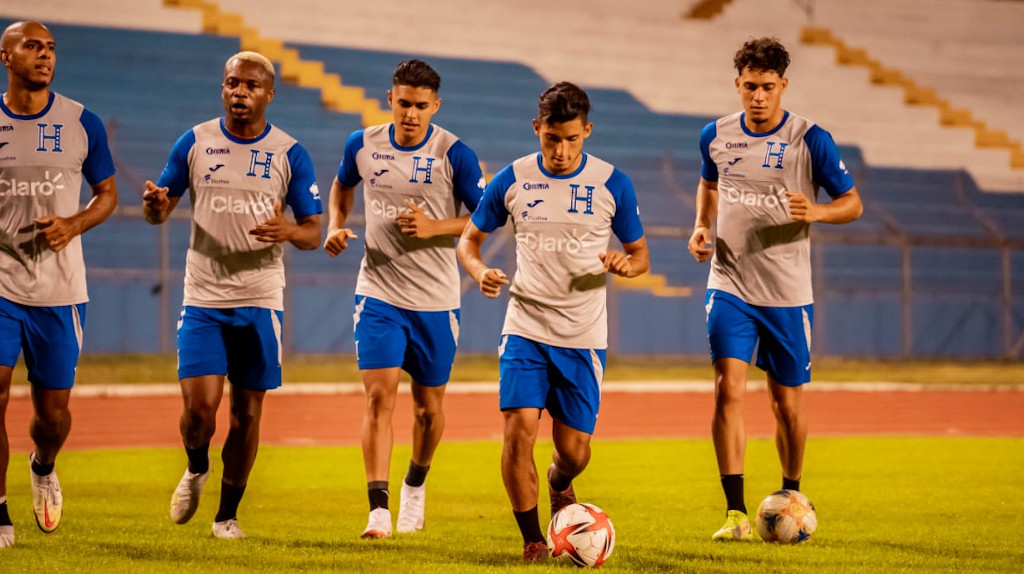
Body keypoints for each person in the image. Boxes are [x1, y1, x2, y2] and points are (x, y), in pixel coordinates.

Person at [457, 81, 649, 561]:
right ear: (536, 129)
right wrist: (480, 272)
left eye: (571, 140)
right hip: (525, 327)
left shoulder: (612, 183)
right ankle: (533, 541)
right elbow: (468, 240)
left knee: (575, 453)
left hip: (583, 336)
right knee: (519, 428)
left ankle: (560, 482)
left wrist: (628, 266)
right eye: (551, 139)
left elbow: (641, 255)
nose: (561, 151)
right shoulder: (513, 178)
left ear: (586, 131)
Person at [686, 37, 863, 541]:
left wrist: (821, 211)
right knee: (728, 390)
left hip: (787, 293)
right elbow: (710, 183)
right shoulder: (715, 135)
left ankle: (791, 494)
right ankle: (735, 513)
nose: (758, 96)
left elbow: (852, 202)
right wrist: (702, 226)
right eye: (749, 86)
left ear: (783, 85)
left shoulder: (811, 139)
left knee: (787, 404)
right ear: (736, 84)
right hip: (729, 284)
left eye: (767, 87)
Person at [142, 51, 322, 539]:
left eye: (250, 85)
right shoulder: (195, 142)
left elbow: (313, 232)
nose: (240, 93)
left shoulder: (289, 153)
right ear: (223, 89)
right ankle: (196, 466)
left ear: (269, 93)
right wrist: (157, 206)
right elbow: (160, 210)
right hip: (203, 296)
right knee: (200, 411)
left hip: (260, 297)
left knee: (247, 413)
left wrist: (288, 229)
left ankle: (227, 516)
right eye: (231, 84)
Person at [323, 59, 484, 539]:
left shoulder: (455, 154)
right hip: (378, 292)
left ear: (435, 106)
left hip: (436, 299)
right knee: (378, 398)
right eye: (403, 103)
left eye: (421, 106)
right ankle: (378, 510)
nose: (411, 114)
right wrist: (335, 224)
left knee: (428, 409)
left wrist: (438, 227)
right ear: (389, 99)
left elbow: (489, 217)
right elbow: (341, 187)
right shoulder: (363, 144)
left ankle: (415, 483)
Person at [0, 21, 119, 548]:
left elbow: (107, 195)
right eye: (32, 46)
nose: (44, 55)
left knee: (52, 416)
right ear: (6, 56)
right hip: (1, 286)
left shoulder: (81, 122)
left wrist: (74, 223)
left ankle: (44, 466)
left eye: (50, 48)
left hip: (60, 292)